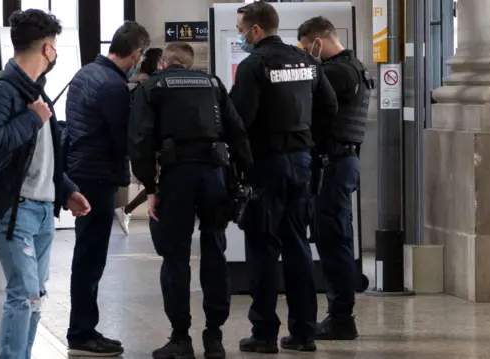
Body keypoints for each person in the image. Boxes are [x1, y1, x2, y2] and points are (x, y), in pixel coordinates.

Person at [0, 9, 90, 359]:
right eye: (54, 46)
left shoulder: (37, 91)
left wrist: (66, 189)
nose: (55, 53)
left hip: (42, 206)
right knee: (23, 293)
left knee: (35, 294)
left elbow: (42, 154)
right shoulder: (1, 90)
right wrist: (31, 117)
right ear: (45, 49)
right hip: (15, 209)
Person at [129, 42, 253, 359]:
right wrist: (241, 179)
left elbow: (140, 140)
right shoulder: (213, 84)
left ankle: (181, 338)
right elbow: (237, 131)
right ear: (191, 63)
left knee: (175, 258)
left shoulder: (153, 86)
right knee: (214, 251)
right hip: (215, 176)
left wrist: (149, 187)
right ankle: (214, 337)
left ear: (164, 63)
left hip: (175, 178)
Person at [229, 2, 338, 353]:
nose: (240, 36)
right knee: (297, 246)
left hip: (266, 166)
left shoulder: (253, 66)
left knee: (262, 247)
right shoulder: (307, 61)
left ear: (256, 30)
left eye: (241, 29)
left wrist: (239, 164)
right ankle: (304, 332)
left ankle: (263, 333)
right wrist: (308, 141)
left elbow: (239, 120)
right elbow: (330, 107)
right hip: (301, 164)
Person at [64, 21, 150, 356]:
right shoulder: (114, 86)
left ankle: (84, 328)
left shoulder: (86, 72)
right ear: (136, 53)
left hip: (82, 171)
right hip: (97, 176)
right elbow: (123, 136)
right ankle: (82, 332)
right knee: (91, 256)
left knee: (87, 252)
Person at [298, 16, 372, 341]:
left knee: (333, 240)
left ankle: (341, 317)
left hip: (334, 163)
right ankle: (340, 314)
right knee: (334, 237)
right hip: (340, 162)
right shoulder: (352, 67)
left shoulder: (338, 72)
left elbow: (308, 107)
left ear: (318, 41)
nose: (305, 53)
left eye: (306, 46)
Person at [115, 47, 164, 235]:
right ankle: (128, 210)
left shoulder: (136, 83)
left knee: (156, 184)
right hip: (153, 143)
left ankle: (127, 210)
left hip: (142, 141)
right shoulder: (150, 86)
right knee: (157, 184)